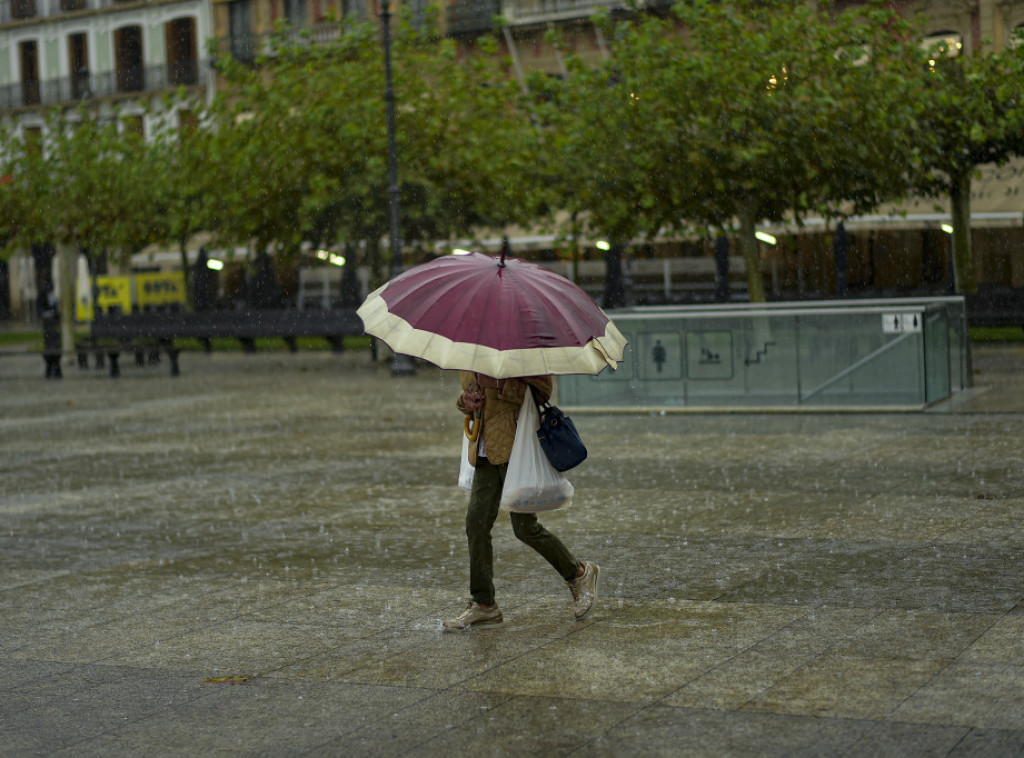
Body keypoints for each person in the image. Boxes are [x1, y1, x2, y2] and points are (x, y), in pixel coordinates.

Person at [444, 371, 599, 631]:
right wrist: (466, 401)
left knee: (525, 528)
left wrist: (501, 387)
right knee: (476, 524)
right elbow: (468, 399)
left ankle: (579, 574)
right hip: (483, 449)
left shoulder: (520, 355)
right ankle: (484, 604)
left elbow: (542, 391)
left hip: (515, 447)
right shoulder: (471, 357)